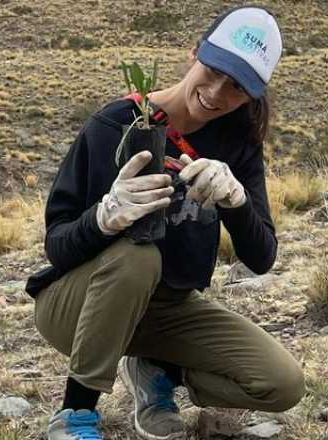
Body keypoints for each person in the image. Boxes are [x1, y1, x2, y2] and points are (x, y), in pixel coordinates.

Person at [26, 7, 303, 439]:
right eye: (212, 71)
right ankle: (75, 414)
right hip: (77, 307)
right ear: (194, 53)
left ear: (252, 95)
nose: (215, 93)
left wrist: (236, 200)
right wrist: (104, 218)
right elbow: (57, 244)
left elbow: (262, 256)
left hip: (168, 311)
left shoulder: (238, 142)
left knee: (282, 383)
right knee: (139, 255)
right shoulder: (114, 124)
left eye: (236, 88)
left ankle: (158, 372)